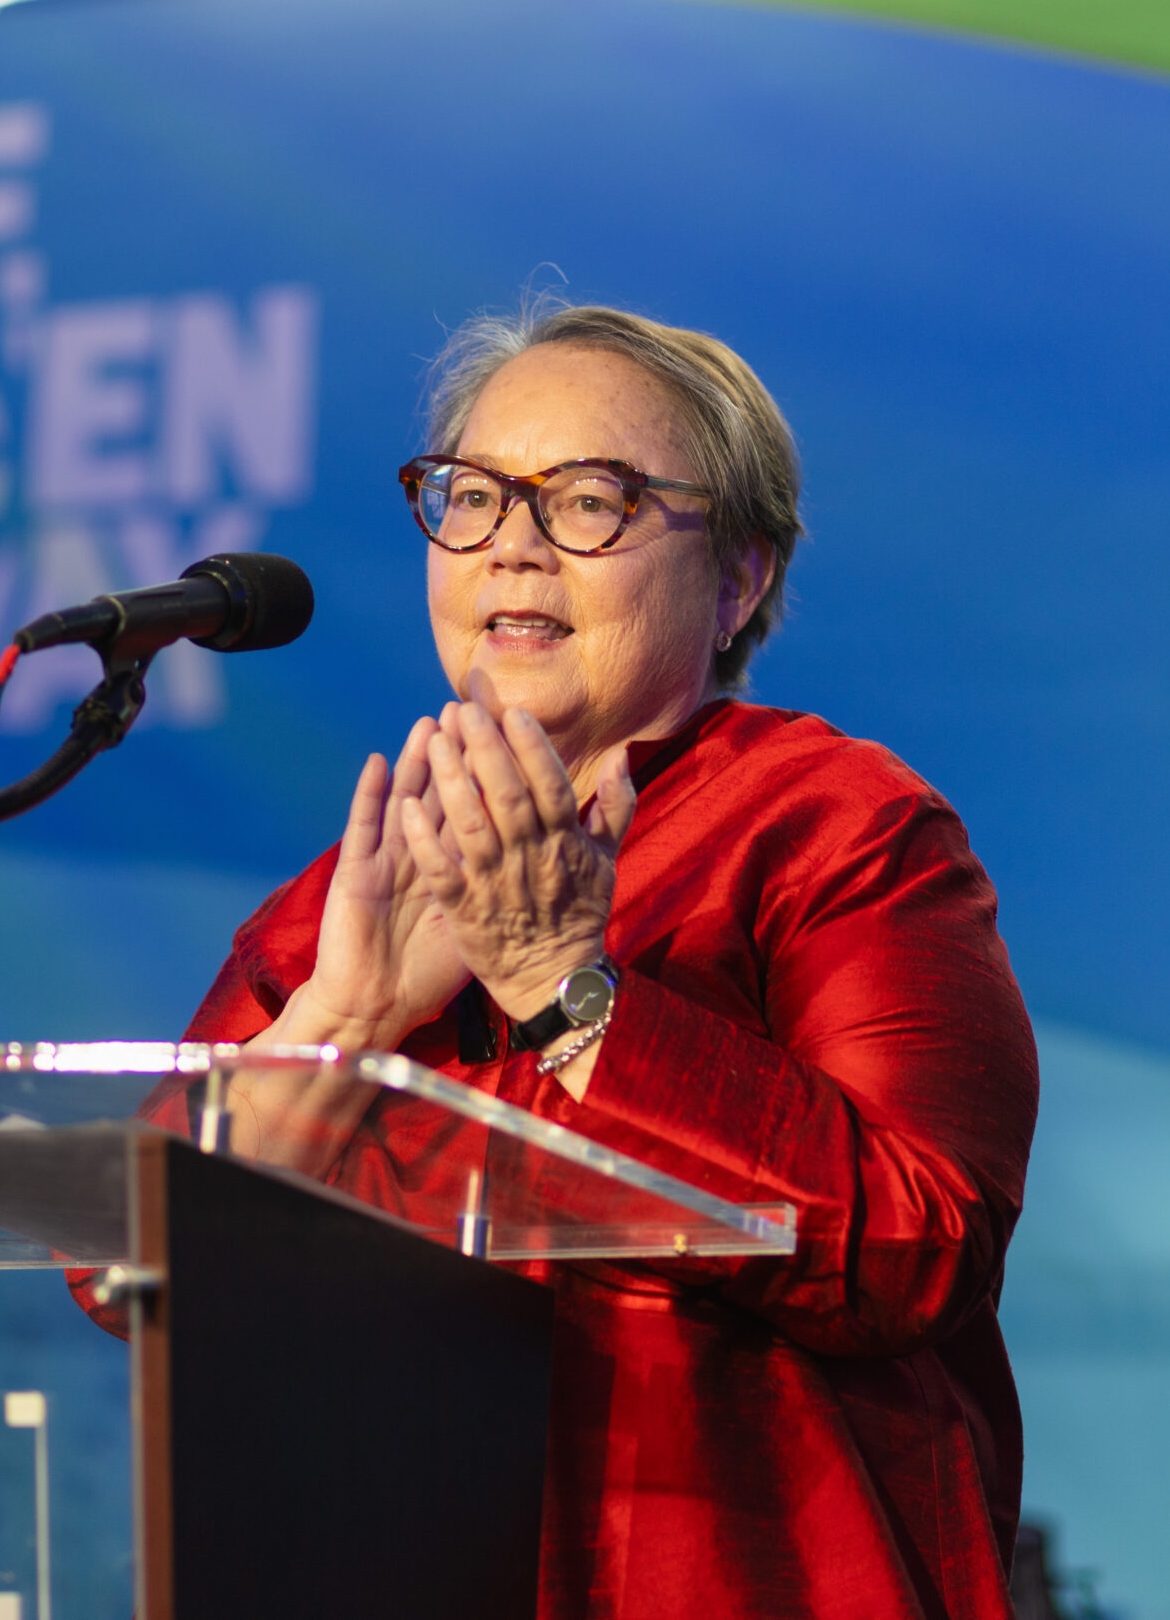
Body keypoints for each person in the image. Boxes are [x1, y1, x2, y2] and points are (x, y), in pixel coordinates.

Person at [172, 303, 1039, 1619]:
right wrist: (345, 1016)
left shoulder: (833, 827)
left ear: (739, 577)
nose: (511, 547)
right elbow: (125, 1268)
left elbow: (915, 1242)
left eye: (588, 503)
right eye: (472, 498)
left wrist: (565, 991)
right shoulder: (358, 884)